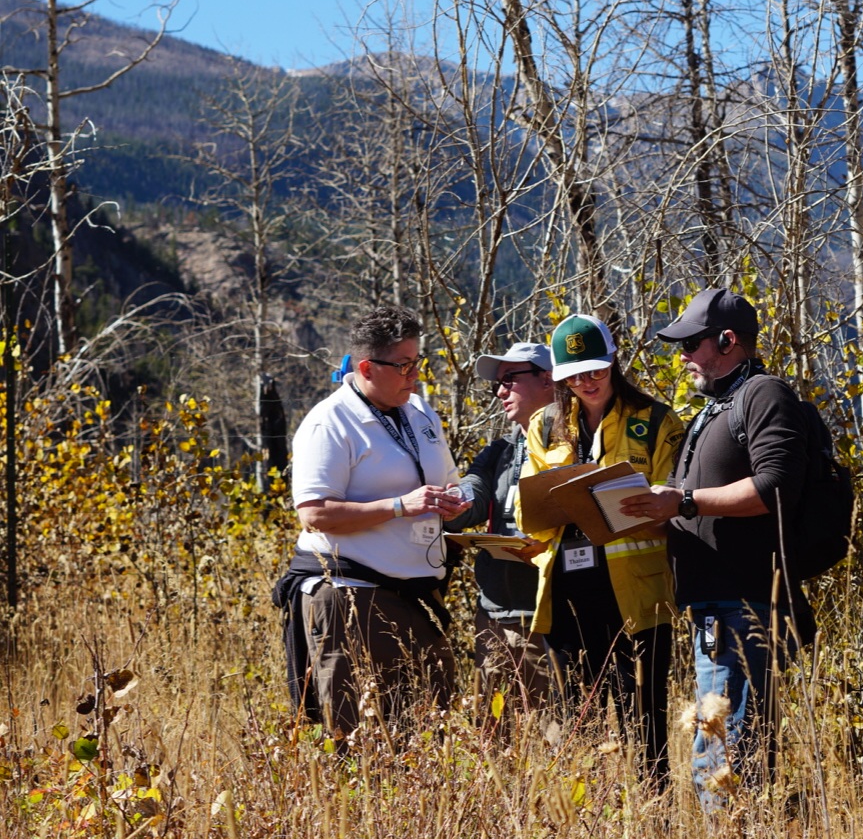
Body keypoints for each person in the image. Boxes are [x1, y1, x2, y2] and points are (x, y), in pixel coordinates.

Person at [624, 288, 814, 806]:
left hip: (743, 606)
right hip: (716, 609)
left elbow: (775, 486)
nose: (681, 357)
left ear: (728, 341)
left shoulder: (763, 395)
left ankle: (733, 837)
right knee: (720, 745)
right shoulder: (719, 405)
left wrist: (682, 502)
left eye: (691, 345)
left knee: (727, 753)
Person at [271, 305, 470, 740]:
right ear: (366, 367)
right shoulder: (330, 422)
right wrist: (401, 506)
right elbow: (315, 514)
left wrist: (453, 502)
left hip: (419, 596)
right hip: (352, 599)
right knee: (363, 740)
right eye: (402, 365)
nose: (414, 374)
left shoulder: (420, 413)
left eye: (418, 362)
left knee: (430, 735)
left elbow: (446, 483)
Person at [521, 313, 684, 783]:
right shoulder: (545, 424)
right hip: (568, 593)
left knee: (644, 718)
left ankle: (654, 816)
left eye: (594, 369)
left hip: (637, 595)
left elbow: (674, 494)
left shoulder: (655, 420)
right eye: (573, 375)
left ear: (614, 361)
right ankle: (587, 819)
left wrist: (646, 502)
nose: (586, 382)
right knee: (577, 720)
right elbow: (530, 497)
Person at [446, 342, 557, 717]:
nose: (500, 391)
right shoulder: (499, 453)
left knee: (558, 741)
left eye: (510, 379)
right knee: (495, 743)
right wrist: (453, 502)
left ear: (548, 379)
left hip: (548, 620)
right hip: (493, 617)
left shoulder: (576, 447)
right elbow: (471, 493)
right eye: (498, 382)